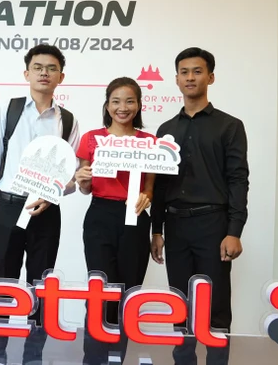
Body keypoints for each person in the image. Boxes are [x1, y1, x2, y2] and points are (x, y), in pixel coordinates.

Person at [0, 44, 81, 365]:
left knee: (42, 284)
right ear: (27, 73)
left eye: (51, 68)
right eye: (38, 67)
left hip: (46, 211)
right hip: (9, 205)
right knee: (3, 280)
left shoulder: (68, 120)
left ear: (61, 77)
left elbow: (71, 175)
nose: (44, 73)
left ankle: (33, 356)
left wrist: (53, 194)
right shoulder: (8, 110)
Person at [150, 47, 249, 365]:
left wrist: (234, 231)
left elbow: (238, 180)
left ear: (211, 77)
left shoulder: (229, 126)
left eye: (197, 71)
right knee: (180, 303)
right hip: (176, 226)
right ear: (176, 79)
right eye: (184, 72)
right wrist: (156, 230)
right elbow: (160, 185)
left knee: (215, 304)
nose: (190, 77)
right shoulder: (166, 130)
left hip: (213, 225)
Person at [74, 77, 155, 365]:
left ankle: (116, 358)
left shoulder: (150, 142)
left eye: (130, 101)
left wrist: (146, 196)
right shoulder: (92, 139)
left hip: (135, 217)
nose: (123, 107)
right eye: (116, 101)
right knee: (99, 291)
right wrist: (83, 180)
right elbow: (85, 187)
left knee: (127, 293)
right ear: (107, 106)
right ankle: (93, 359)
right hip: (100, 216)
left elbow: (150, 188)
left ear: (139, 105)